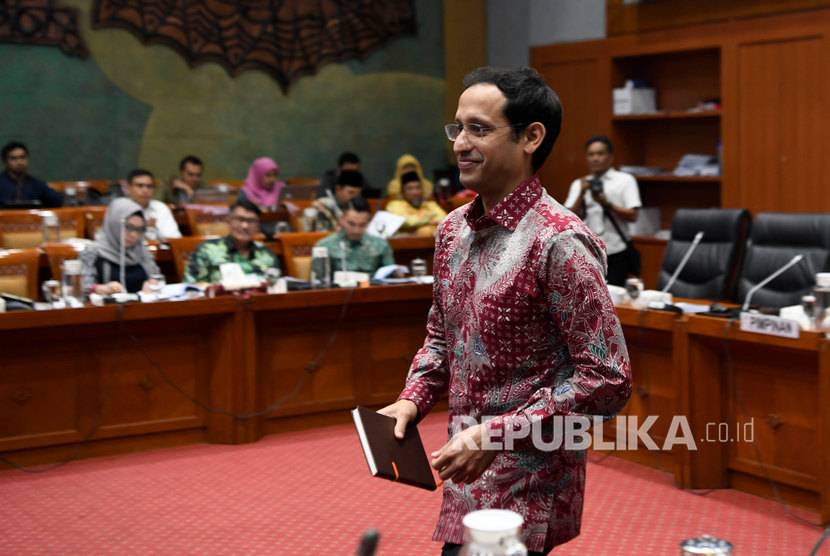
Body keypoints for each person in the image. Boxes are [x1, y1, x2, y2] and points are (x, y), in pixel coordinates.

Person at [378, 67, 632, 555]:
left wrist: (496, 435)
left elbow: (607, 378)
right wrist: (412, 399)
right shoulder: (453, 230)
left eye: (480, 129)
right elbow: (441, 336)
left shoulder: (559, 241)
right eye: (457, 128)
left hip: (527, 479)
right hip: (465, 466)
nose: (460, 144)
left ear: (531, 137)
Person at [564, 135, 641, 286]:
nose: (595, 158)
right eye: (591, 154)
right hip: (586, 252)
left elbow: (633, 216)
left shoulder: (625, 180)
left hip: (616, 251)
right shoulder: (579, 183)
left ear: (610, 157)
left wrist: (607, 204)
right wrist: (581, 193)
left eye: (600, 154)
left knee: (614, 299)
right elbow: (568, 218)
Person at [184, 199, 280, 283]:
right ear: (228, 221)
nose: (244, 226)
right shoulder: (207, 250)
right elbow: (190, 287)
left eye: (250, 221)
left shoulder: (267, 255)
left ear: (258, 226)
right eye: (240, 219)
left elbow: (276, 288)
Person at [79, 198, 160, 295]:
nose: (133, 234)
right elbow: (83, 288)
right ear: (114, 223)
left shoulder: (142, 251)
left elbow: (157, 277)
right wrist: (100, 289)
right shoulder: (93, 252)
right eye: (128, 227)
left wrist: (153, 283)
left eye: (139, 229)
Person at [313, 197, 396, 276]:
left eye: (362, 225)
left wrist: (396, 273)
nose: (356, 230)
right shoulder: (324, 246)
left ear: (368, 222)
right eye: (351, 224)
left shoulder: (380, 245)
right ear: (341, 219)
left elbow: (390, 276)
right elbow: (319, 281)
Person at [124, 168, 182, 241]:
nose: (145, 190)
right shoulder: (119, 208)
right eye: (140, 186)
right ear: (128, 188)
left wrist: (155, 230)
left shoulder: (161, 208)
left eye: (149, 186)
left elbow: (175, 239)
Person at [0, 141, 63, 208]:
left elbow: (58, 200)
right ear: (5, 162)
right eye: (14, 158)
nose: (19, 162)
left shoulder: (35, 184)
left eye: (23, 157)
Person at [385, 171, 447, 237]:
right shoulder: (394, 205)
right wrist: (430, 216)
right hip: (405, 244)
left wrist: (420, 230)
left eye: (418, 188)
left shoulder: (431, 204)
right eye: (410, 189)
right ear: (403, 191)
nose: (415, 192)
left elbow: (445, 220)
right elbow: (409, 222)